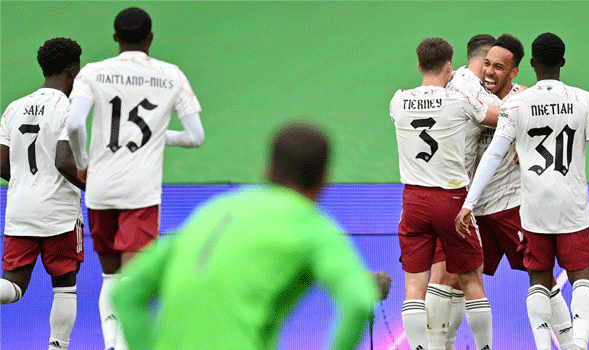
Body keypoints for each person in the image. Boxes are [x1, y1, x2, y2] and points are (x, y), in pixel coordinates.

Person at [111, 123, 391, 350]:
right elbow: (358, 302)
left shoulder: (214, 211)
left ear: (267, 169)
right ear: (324, 179)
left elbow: (127, 293)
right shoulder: (313, 228)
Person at [456, 32, 589, 350]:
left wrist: (469, 201)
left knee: (538, 280)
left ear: (532, 64)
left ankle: (542, 345)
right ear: (562, 62)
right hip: (573, 206)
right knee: (582, 277)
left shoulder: (517, 104)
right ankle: (577, 343)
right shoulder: (584, 99)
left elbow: (493, 155)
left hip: (532, 207)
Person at [66, 7, 205, 350]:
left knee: (110, 277)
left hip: (99, 189)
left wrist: (83, 161)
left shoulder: (93, 72)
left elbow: (72, 124)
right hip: (141, 193)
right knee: (134, 280)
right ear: (151, 37)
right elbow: (195, 136)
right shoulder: (172, 75)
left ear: (115, 38)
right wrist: (159, 135)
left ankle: (111, 343)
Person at [390, 37, 497, 350]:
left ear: (419, 66)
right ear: (450, 66)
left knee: (414, 287)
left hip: (412, 200)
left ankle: (420, 348)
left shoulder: (398, 101)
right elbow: (495, 117)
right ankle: (485, 348)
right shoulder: (459, 100)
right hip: (450, 200)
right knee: (472, 280)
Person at [0, 37, 84, 350]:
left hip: (19, 209)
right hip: (59, 215)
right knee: (65, 288)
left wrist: (25, 180)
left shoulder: (14, 108)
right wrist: (96, 187)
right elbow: (65, 161)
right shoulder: (70, 108)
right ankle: (57, 347)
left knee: (13, 286)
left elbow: (1, 164)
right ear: (73, 69)